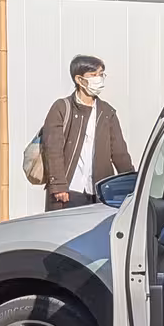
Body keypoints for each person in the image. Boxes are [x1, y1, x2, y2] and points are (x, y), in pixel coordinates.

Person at [40, 55, 133, 211]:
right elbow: (53, 149)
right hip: (69, 191)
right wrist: (59, 185)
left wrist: (132, 182)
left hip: (100, 192)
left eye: (101, 74)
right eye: (93, 75)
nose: (99, 79)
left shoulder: (106, 112)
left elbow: (119, 152)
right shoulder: (62, 108)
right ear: (79, 79)